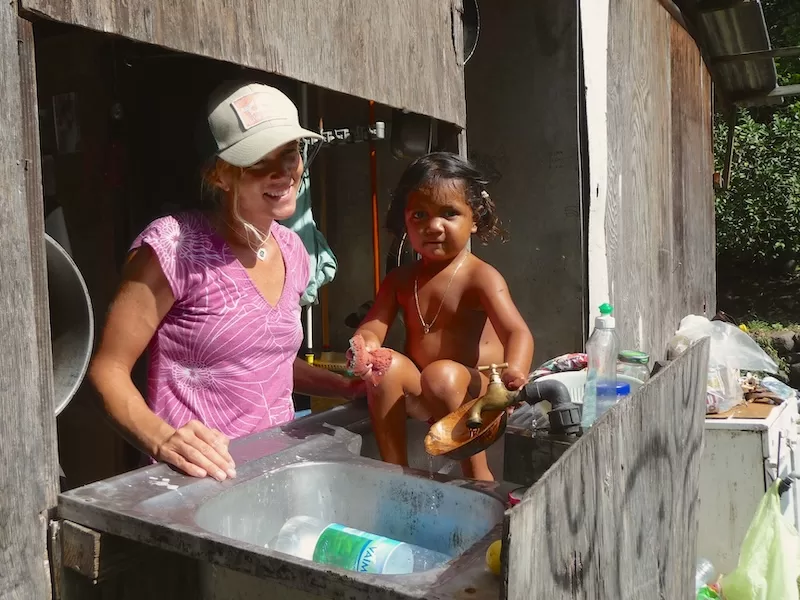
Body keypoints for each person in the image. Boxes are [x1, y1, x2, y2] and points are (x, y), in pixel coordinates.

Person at [89, 82, 363, 482]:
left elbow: (265, 362)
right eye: (259, 161)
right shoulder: (173, 247)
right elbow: (107, 370)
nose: (283, 173)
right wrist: (163, 440)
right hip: (198, 483)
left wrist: (347, 387)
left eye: (290, 154)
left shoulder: (292, 250)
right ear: (219, 174)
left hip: (278, 474)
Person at [352, 152, 534, 481]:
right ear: (405, 221)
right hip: (426, 389)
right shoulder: (400, 280)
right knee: (385, 364)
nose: (433, 226)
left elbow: (517, 332)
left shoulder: (480, 276)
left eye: (449, 213)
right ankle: (396, 474)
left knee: (442, 376)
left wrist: (514, 377)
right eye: (420, 214)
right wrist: (365, 346)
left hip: (475, 395)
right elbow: (374, 325)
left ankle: (479, 478)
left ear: (474, 219)